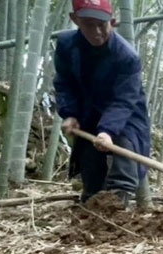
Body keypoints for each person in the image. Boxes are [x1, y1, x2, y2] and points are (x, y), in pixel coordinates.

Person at [54, 0, 150, 206]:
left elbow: (125, 100)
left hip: (126, 113)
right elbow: (64, 83)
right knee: (90, 156)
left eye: (102, 24)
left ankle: (116, 204)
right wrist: (69, 113)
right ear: (75, 20)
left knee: (125, 147)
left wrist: (107, 130)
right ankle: (92, 205)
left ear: (113, 22)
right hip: (88, 111)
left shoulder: (127, 56)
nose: (97, 31)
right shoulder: (66, 45)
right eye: (89, 24)